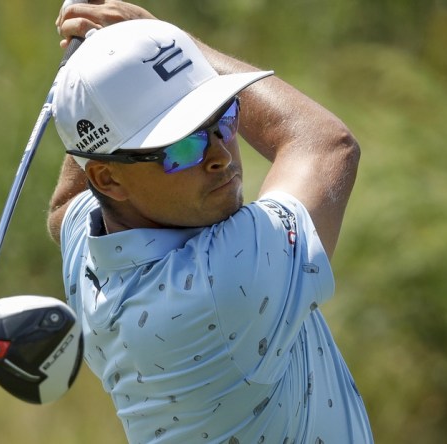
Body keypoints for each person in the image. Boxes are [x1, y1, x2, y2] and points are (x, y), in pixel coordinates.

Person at [48, 1, 372, 442]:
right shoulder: (219, 285)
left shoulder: (92, 245)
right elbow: (326, 145)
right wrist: (158, 33)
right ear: (108, 178)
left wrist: (100, 75)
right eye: (181, 148)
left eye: (224, 118)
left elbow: (64, 206)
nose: (220, 155)